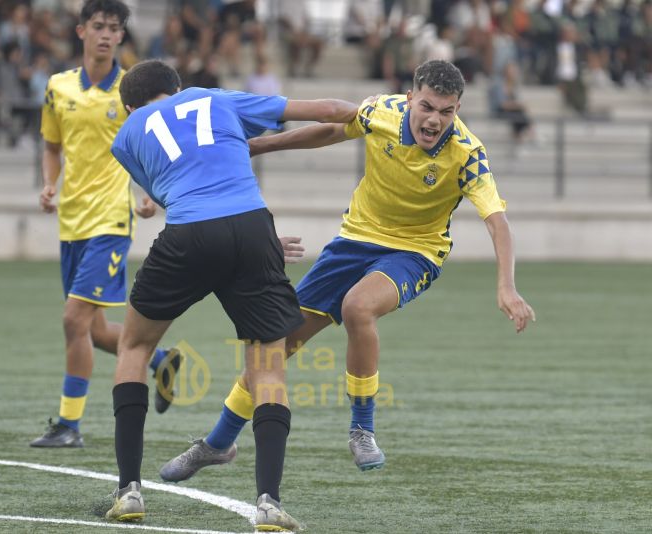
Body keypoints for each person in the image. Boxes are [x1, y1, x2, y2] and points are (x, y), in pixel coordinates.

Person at [159, 59, 536, 481]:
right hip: (352, 242)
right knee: (275, 345)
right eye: (427, 107)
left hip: (415, 252)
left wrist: (507, 286)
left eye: (447, 112)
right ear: (410, 97)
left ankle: (362, 428)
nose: (435, 120)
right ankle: (217, 443)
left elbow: (497, 221)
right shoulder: (381, 112)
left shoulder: (467, 154)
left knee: (359, 307)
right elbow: (335, 130)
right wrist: (263, 146)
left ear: (458, 109)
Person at [104, 58, 360, 531]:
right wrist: (376, 113)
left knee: (135, 346)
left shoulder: (126, 135)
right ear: (177, 87)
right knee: (267, 367)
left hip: (188, 233)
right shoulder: (213, 97)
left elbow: (173, 194)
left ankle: (128, 492)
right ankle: (268, 503)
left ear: (128, 106)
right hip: (252, 227)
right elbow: (326, 109)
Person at [31, 0, 180, 449]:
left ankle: (69, 425)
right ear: (81, 31)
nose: (105, 35)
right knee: (92, 331)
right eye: (98, 26)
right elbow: (52, 146)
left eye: (114, 29)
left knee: (73, 318)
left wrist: (149, 192)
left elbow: (154, 145)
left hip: (111, 218)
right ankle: (161, 362)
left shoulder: (131, 92)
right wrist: (48, 184)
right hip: (71, 220)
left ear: (120, 37)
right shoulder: (58, 87)